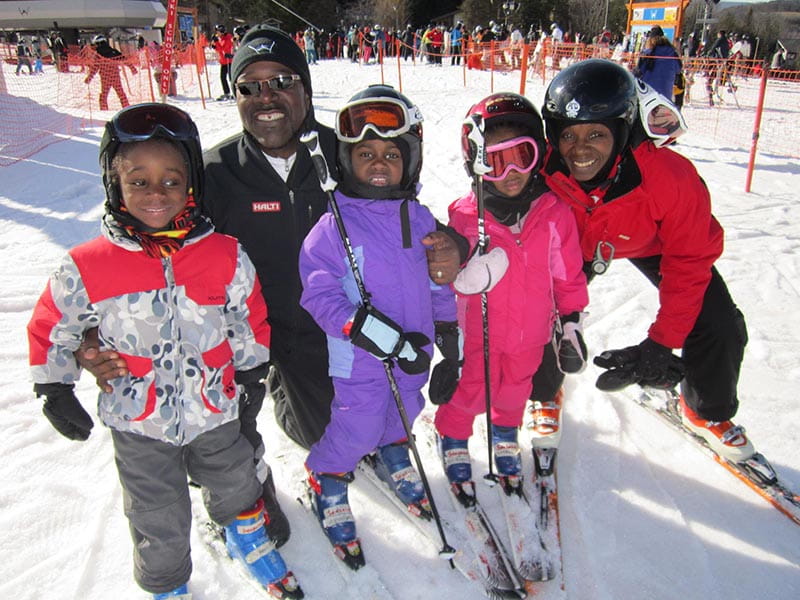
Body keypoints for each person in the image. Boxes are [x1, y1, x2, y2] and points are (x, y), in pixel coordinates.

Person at [76, 23, 465, 545]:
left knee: (380, 409)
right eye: (249, 86)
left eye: (281, 80)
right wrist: (93, 332)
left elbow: (408, 216)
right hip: (262, 334)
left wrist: (452, 247)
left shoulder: (349, 150)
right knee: (307, 431)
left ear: (304, 88)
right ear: (235, 95)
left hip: (350, 329)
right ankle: (245, 483)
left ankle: (380, 438)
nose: (267, 97)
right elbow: (144, 242)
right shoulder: (213, 173)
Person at [26, 103, 302, 600]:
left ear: (192, 183)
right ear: (115, 185)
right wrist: (53, 386)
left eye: (171, 181)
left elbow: (248, 315)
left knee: (236, 478)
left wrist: (251, 372)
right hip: (139, 421)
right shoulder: (87, 264)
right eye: (139, 181)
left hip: (214, 407)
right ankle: (166, 582)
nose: (157, 194)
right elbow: (54, 323)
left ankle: (244, 529)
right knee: (155, 510)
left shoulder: (223, 252)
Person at [534, 58, 753, 464]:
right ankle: (543, 391)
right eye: (568, 136)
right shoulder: (542, 170)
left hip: (650, 240)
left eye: (597, 134)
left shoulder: (672, 179)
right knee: (536, 309)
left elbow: (689, 265)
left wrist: (662, 342)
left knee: (720, 324)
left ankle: (705, 410)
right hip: (575, 243)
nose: (580, 150)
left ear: (622, 132)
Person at [299, 84, 457, 564]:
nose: (379, 163)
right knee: (359, 424)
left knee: (407, 411)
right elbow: (318, 292)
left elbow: (437, 279)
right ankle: (326, 473)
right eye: (365, 153)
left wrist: (448, 330)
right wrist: (359, 326)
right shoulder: (333, 226)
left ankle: (394, 452)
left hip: (415, 351)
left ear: (411, 159)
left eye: (392, 153)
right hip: (361, 358)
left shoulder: (419, 216)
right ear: (347, 161)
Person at [434, 93, 588, 501]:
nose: (513, 172)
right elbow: (447, 276)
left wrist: (571, 322)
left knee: (516, 387)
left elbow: (568, 275)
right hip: (479, 333)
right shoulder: (466, 216)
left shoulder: (554, 213)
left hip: (531, 335)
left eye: (523, 154)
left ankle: (505, 433)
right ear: (476, 161)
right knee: (472, 389)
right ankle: (452, 434)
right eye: (497, 160)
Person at [84, 35, 133, 111]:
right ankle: (127, 108)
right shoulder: (113, 51)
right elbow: (123, 59)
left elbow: (95, 67)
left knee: (103, 95)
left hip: (105, 77)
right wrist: (132, 68)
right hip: (115, 75)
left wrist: (89, 77)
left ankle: (104, 110)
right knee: (121, 93)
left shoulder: (98, 55)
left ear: (99, 43)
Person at [636, 26, 682, 101]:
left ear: (650, 39)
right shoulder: (673, 54)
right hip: (666, 97)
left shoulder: (647, 54)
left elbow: (638, 73)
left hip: (648, 96)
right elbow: (678, 69)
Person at [211, 24, 234, 100]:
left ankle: (236, 92)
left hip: (228, 61)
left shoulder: (228, 38)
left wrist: (217, 42)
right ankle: (227, 93)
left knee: (231, 78)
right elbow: (219, 49)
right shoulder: (221, 38)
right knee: (223, 78)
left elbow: (223, 48)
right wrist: (214, 45)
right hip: (223, 61)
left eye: (218, 31)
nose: (217, 33)